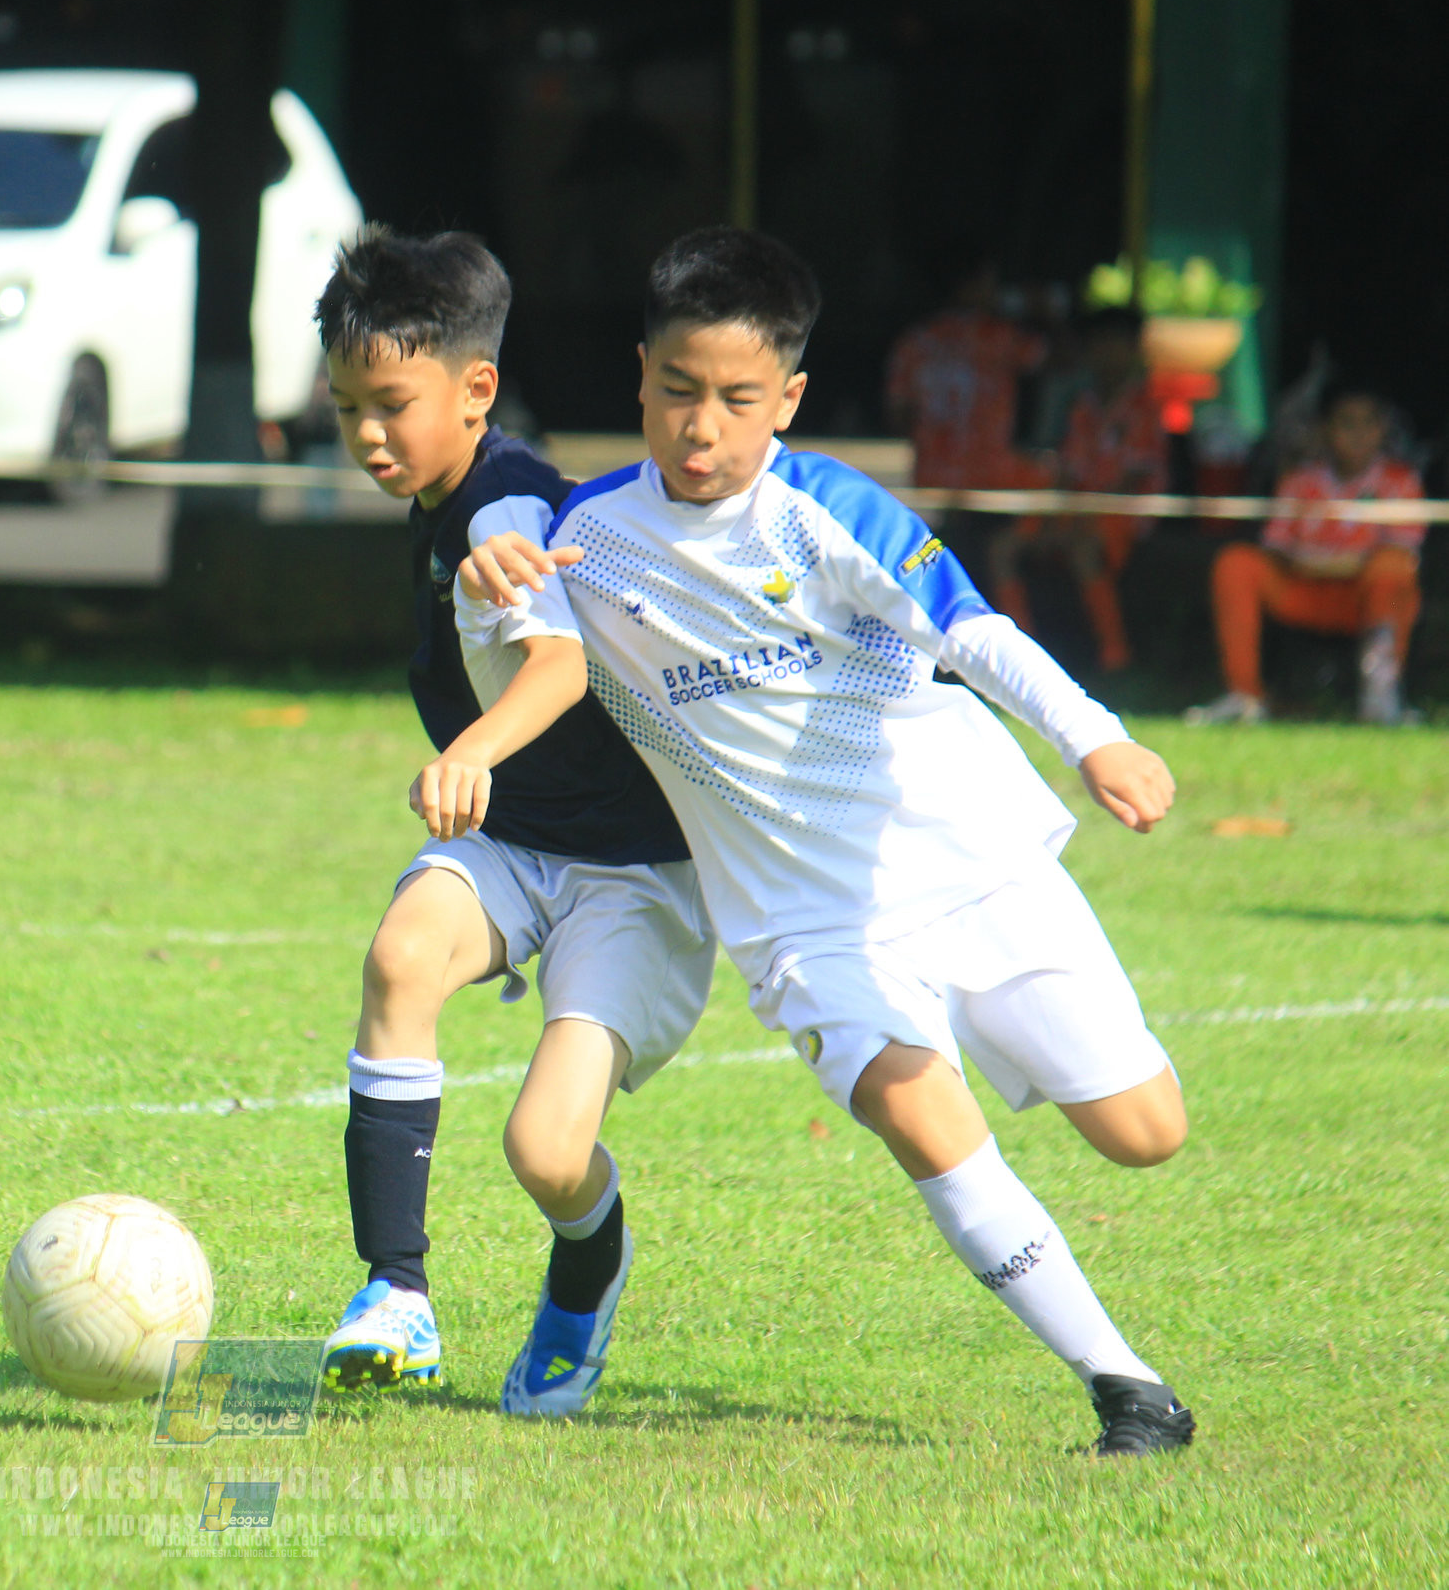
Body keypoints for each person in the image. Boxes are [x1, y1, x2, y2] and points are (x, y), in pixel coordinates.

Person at [455, 227, 1197, 1456]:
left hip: (969, 863)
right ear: (639, 377)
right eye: (677, 391)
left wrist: (1095, 738)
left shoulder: (824, 511)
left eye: (737, 400)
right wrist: (498, 557)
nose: (701, 426)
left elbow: (973, 630)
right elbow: (527, 629)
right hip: (802, 923)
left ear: (786, 399)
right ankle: (1129, 1388)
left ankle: (1049, 1180)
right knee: (918, 1110)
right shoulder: (579, 535)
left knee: (1144, 1131)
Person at [310, 228, 715, 1417]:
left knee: (545, 1151)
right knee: (401, 955)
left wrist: (472, 748)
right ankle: (395, 1291)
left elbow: (555, 663)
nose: (367, 435)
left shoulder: (503, 508)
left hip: (636, 873)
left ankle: (587, 1269)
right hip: (519, 843)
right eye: (346, 409)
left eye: (391, 404)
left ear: (476, 388)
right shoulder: (443, 499)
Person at [1186, 381, 1425, 725]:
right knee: (1236, 563)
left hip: (1370, 599)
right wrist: (1327, 564)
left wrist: (1328, 563)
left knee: (1392, 570)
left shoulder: (1402, 481)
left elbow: (1402, 551)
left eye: (1369, 423)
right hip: (1303, 593)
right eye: (1347, 423)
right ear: (1326, 430)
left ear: (1382, 429)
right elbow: (1277, 548)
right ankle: (1244, 695)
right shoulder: (1300, 480)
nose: (1359, 434)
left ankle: (1381, 696)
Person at [988, 305, 1166, 671]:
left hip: (1123, 516)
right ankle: (1021, 657)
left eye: (1114, 344)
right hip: (1074, 510)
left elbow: (1132, 479)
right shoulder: (1083, 406)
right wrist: (1055, 517)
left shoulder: (1146, 406)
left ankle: (1115, 657)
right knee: (1002, 548)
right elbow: (1067, 471)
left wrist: (1080, 519)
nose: (1105, 354)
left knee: (1083, 548)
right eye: (1098, 344)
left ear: (1134, 349)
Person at [885, 249, 1050, 495]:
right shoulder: (999, 335)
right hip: (990, 479)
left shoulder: (914, 342)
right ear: (971, 285)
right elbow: (1054, 360)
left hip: (932, 476)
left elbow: (898, 415)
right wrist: (1038, 308)